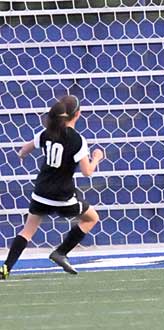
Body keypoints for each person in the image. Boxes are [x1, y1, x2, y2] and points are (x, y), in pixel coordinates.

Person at [1, 95, 104, 279]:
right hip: (63, 197)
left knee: (27, 230)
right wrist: (96, 157)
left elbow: (24, 150)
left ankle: (6, 267)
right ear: (77, 114)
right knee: (91, 218)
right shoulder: (77, 140)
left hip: (41, 193)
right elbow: (87, 172)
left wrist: (22, 155)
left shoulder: (47, 132)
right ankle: (60, 252)